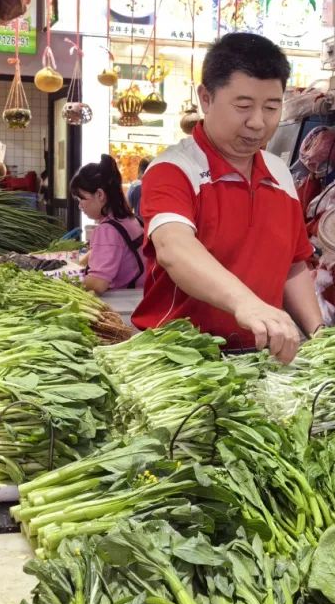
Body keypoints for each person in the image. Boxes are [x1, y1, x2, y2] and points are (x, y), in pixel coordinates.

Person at [133, 32, 323, 364]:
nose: (258, 122)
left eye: (271, 107)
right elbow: (173, 248)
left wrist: (320, 333)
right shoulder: (174, 169)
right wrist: (244, 302)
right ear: (206, 98)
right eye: (243, 106)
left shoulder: (280, 174)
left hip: (258, 360)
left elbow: (293, 265)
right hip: (178, 362)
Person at [71, 154, 145, 294]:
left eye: (81, 199)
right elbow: (109, 251)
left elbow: (98, 283)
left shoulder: (107, 230)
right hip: (138, 296)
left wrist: (65, 279)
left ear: (100, 194)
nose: (80, 206)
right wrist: (78, 263)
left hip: (121, 304)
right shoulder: (129, 219)